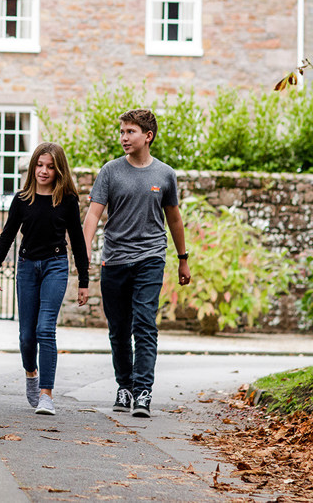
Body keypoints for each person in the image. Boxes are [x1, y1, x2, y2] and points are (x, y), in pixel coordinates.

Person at [82, 108, 191, 418]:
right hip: (115, 259)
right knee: (118, 329)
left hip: (150, 258)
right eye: (122, 132)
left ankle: (143, 391)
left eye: (130, 132)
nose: (124, 138)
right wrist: (84, 249)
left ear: (148, 136)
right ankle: (124, 386)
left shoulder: (165, 174)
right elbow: (93, 213)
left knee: (144, 323)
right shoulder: (110, 172)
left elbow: (174, 218)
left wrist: (183, 259)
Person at [0, 142, 90, 416]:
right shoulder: (22, 199)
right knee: (26, 336)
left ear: (59, 170)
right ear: (33, 167)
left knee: (46, 330)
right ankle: (31, 373)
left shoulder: (66, 200)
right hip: (27, 267)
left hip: (55, 265)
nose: (44, 171)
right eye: (40, 165)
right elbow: (7, 235)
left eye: (50, 167)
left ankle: (46, 394)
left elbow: (78, 241)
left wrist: (84, 281)